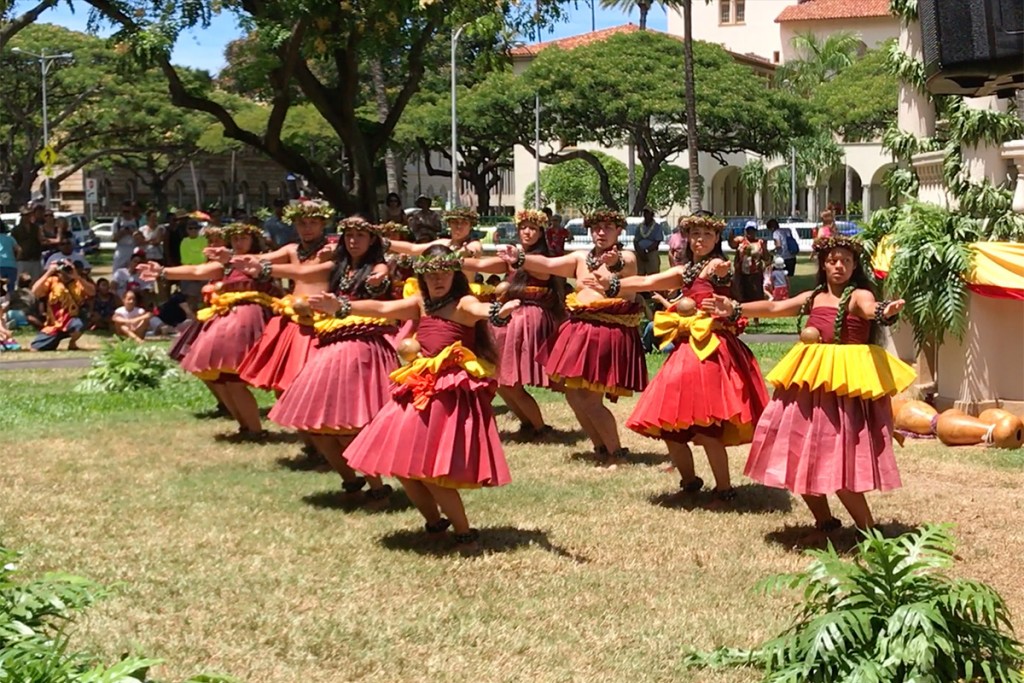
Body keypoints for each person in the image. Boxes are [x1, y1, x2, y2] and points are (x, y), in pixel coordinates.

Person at [704, 234, 912, 534]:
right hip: (809, 384)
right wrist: (735, 308)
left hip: (843, 388)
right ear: (824, 266)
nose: (838, 266)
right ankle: (824, 522)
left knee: (839, 461)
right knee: (801, 453)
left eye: (846, 261)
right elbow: (776, 308)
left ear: (854, 267)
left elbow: (870, 309)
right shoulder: (814, 297)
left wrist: (883, 312)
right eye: (832, 261)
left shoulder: (857, 296)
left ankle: (870, 533)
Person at [323, 245, 518, 549]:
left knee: (431, 473)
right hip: (415, 388)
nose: (438, 280)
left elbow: (481, 310)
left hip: (447, 394)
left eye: (444, 273)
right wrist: (343, 307)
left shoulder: (463, 303)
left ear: (455, 274)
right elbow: (383, 309)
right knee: (404, 468)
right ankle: (434, 524)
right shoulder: (420, 304)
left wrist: (497, 312)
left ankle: (464, 534)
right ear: (422, 277)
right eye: (431, 274)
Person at [590, 214, 769, 501]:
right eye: (695, 234)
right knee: (672, 424)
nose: (699, 240)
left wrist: (722, 272)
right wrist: (614, 282)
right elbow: (648, 280)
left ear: (716, 240)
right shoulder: (685, 270)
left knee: (709, 425)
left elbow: (722, 272)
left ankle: (724, 488)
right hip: (687, 349)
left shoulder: (714, 265)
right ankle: (689, 481)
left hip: (713, 349)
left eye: (706, 235)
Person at [260, 217, 397, 503]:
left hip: (363, 347)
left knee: (349, 426)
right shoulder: (338, 267)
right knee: (317, 426)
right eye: (349, 235)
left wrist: (377, 280)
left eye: (361, 235)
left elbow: (381, 278)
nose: (354, 240)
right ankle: (350, 481)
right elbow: (302, 272)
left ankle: (377, 488)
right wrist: (260, 266)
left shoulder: (377, 267)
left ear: (372, 240)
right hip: (331, 346)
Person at [500, 209, 648, 467]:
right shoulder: (581, 258)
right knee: (573, 395)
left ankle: (617, 454)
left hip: (608, 334)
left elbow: (623, 266)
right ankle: (600, 448)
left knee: (591, 400)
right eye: (596, 227)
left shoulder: (627, 257)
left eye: (607, 227)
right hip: (582, 331)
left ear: (619, 231)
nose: (601, 232)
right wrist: (520, 257)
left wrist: (612, 263)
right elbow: (547, 265)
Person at [138, 222, 278, 439]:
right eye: (235, 239)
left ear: (253, 240)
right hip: (226, 320)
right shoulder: (226, 265)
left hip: (250, 319)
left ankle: (256, 431)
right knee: (222, 379)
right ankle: (245, 428)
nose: (238, 243)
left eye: (243, 238)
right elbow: (196, 270)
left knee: (235, 379)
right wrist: (163, 271)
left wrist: (229, 258)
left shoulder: (261, 261)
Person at [463, 209, 564, 437]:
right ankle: (528, 424)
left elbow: (543, 272)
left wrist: (517, 258)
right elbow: (483, 265)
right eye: (523, 227)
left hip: (528, 319)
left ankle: (540, 428)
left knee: (510, 381)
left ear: (541, 232)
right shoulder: (513, 256)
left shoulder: (541, 259)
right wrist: (457, 260)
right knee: (499, 379)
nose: (527, 232)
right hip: (509, 318)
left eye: (533, 228)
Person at [234, 199, 334, 395]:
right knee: (286, 376)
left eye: (313, 223)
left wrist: (264, 268)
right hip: (295, 316)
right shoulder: (291, 249)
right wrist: (230, 257)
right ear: (294, 225)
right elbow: (258, 259)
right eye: (302, 223)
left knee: (316, 376)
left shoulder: (333, 249)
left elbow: (302, 272)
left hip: (324, 317)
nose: (307, 228)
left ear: (323, 223)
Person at [29, 258, 95, 351]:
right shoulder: (52, 281)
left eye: (68, 268)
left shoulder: (78, 282)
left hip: (72, 320)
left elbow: (92, 292)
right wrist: (49, 272)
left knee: (79, 324)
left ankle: (72, 343)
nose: (66, 271)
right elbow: (34, 291)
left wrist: (77, 276)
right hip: (54, 324)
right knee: (36, 348)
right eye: (64, 269)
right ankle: (54, 340)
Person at [734, 221, 769, 303]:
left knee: (756, 295)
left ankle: (756, 314)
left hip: (755, 274)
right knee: (742, 295)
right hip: (742, 273)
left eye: (752, 230)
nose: (750, 232)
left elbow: (766, 258)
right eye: (748, 230)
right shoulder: (741, 242)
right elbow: (732, 246)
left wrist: (764, 248)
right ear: (745, 231)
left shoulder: (759, 243)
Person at [12, 206, 44, 280]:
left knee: (35, 281)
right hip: (22, 260)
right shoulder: (16, 229)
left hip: (35, 259)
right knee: (21, 281)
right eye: (24, 215)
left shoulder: (36, 228)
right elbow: (13, 244)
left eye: (27, 215)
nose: (26, 217)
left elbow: (40, 240)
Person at [633, 207, 664, 276]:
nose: (645, 215)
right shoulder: (639, 226)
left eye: (647, 213)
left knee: (653, 275)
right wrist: (640, 252)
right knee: (639, 275)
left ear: (652, 215)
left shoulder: (657, 227)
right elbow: (635, 241)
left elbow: (657, 242)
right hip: (640, 254)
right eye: (644, 213)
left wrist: (646, 251)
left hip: (651, 253)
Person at [111, 200, 141, 271]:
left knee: (133, 273)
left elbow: (141, 239)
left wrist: (132, 233)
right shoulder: (117, 222)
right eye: (124, 211)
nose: (126, 214)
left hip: (133, 249)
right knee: (117, 273)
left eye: (128, 211)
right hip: (121, 250)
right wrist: (122, 232)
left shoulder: (137, 222)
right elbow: (113, 238)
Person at [0, 221, 20, 286]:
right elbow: (19, 250)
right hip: (11, 265)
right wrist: (16, 259)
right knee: (11, 288)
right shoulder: (10, 238)